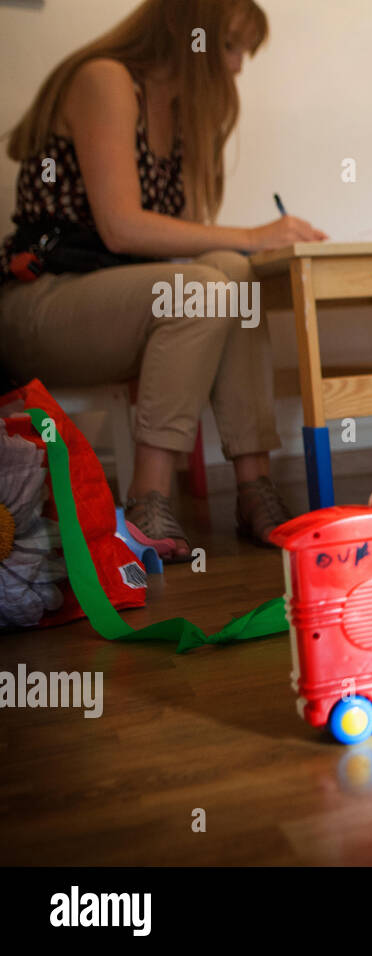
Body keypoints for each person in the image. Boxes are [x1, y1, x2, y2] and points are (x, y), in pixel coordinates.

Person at [0, 0, 328, 561]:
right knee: (214, 279)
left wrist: (243, 245)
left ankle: (254, 486)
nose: (238, 66)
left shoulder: (179, 115)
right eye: (229, 45)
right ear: (187, 30)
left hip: (111, 306)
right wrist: (255, 231)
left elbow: (189, 244)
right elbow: (123, 228)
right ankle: (148, 498)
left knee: (234, 274)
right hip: (41, 302)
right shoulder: (106, 80)